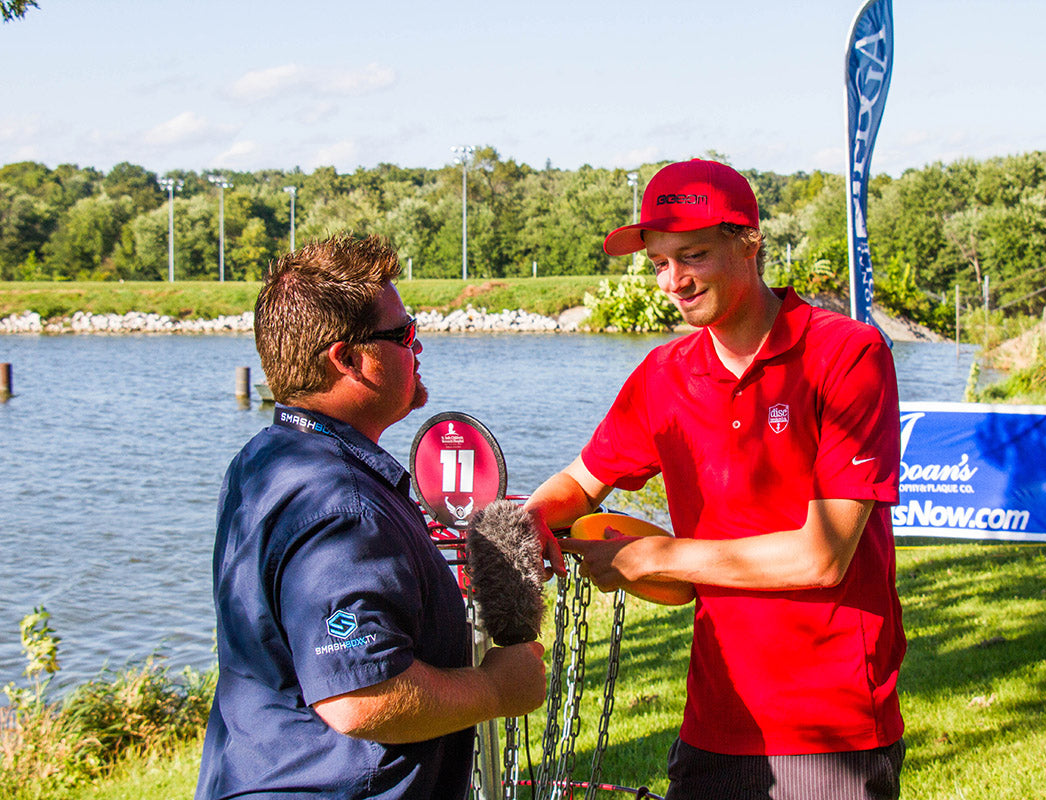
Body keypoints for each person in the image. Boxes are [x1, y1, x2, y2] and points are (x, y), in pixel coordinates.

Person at [526, 160, 906, 800]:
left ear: (750, 242)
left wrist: (654, 558)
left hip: (830, 723)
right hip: (715, 715)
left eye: (693, 255)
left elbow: (823, 556)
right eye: (658, 263)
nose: (673, 280)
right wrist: (515, 528)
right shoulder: (663, 373)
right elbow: (582, 481)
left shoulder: (847, 353)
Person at [196, 236, 546, 800]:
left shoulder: (265, 457)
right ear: (349, 359)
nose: (419, 346)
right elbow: (361, 697)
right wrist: (496, 690)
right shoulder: (342, 502)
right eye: (403, 334)